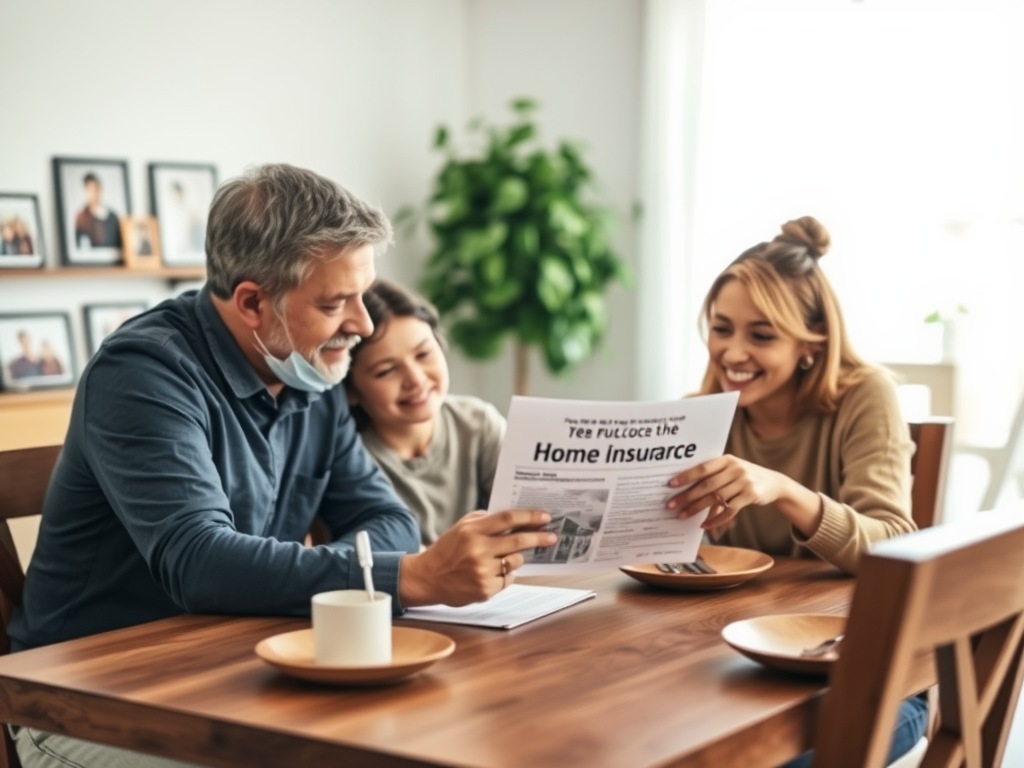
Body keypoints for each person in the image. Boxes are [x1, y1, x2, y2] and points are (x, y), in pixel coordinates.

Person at [10, 163, 556, 768]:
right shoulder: (144, 373)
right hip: (83, 701)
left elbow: (383, 515)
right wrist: (415, 578)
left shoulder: (312, 372)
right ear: (252, 302)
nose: (364, 325)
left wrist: (371, 581)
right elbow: (199, 561)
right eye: (336, 303)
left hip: (239, 666)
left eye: (363, 295)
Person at [666, 216, 926, 768]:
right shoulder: (699, 416)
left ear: (810, 345)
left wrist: (783, 491)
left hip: (866, 675)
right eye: (721, 328)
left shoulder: (866, 395)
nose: (733, 353)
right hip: (742, 663)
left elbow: (895, 543)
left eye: (761, 335)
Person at [344, 279, 506, 545]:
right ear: (350, 389)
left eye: (423, 354)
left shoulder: (478, 423)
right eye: (386, 371)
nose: (415, 379)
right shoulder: (350, 458)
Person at [73, 172, 122, 249]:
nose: (94, 193)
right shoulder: (81, 218)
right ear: (85, 191)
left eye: (95, 189)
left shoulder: (113, 216)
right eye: (90, 190)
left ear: (100, 189)